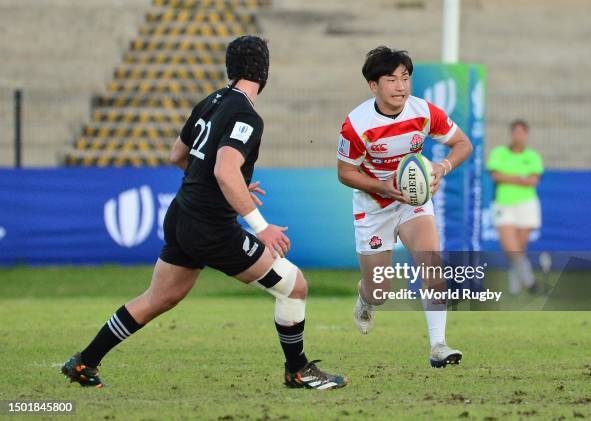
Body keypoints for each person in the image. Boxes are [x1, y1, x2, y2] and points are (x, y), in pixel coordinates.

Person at [61, 35, 347, 390]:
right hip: (211, 228)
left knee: (159, 298)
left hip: (182, 215)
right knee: (294, 287)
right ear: (264, 71)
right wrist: (260, 226)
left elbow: (178, 156)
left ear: (231, 68)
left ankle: (85, 361)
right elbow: (225, 171)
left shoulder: (210, 102)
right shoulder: (246, 114)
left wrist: (231, 186)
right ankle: (298, 370)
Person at [336, 46, 473, 367]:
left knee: (432, 266)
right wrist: (383, 187)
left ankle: (439, 345)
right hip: (373, 205)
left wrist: (441, 168)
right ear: (373, 86)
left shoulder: (424, 112)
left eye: (405, 78)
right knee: (380, 289)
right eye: (391, 79)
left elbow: (463, 144)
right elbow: (345, 173)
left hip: (414, 199)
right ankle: (366, 297)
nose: (401, 86)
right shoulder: (356, 125)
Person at [487, 119, 543, 294]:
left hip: (527, 203)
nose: (518, 136)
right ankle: (530, 282)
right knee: (511, 247)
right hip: (504, 203)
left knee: (519, 247)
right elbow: (496, 175)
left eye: (521, 132)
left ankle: (515, 288)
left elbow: (533, 180)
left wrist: (509, 176)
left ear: (526, 135)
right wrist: (520, 178)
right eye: (515, 132)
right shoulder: (499, 153)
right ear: (511, 134)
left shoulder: (532, 156)